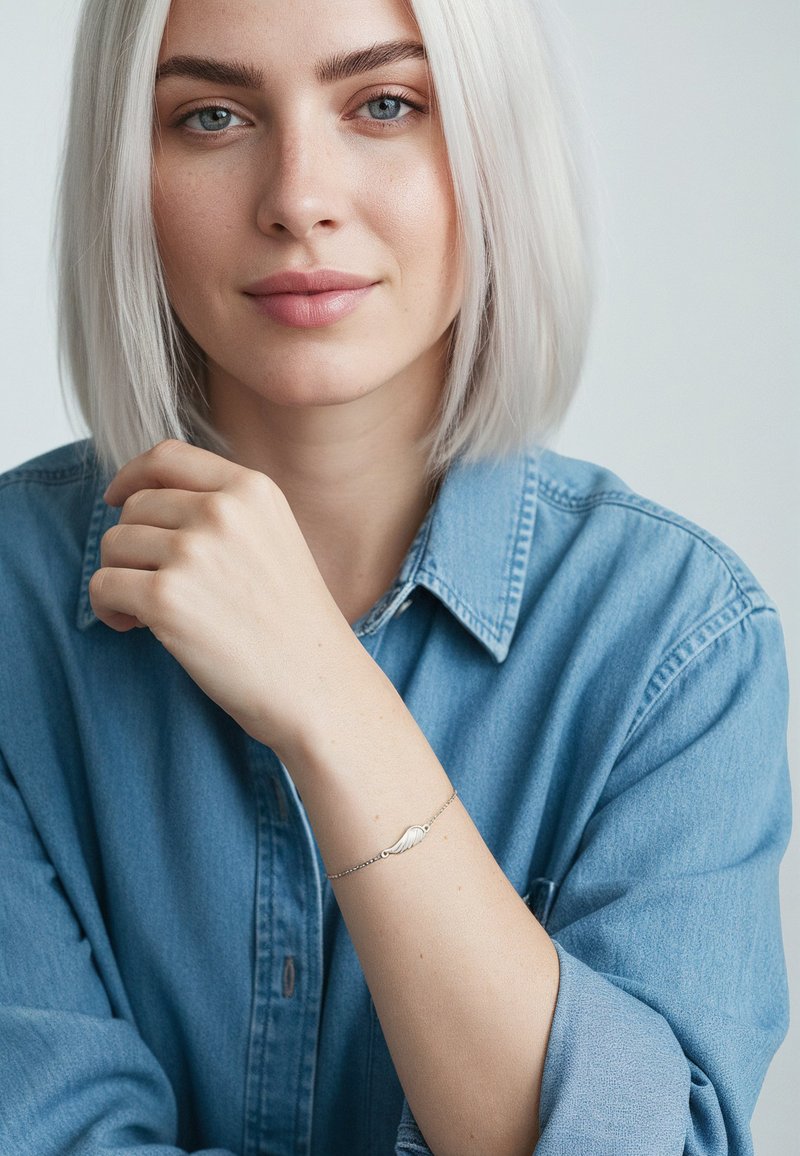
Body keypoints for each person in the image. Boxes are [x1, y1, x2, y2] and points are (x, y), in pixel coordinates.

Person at [0, 0, 790, 1152]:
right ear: (129, 169)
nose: (298, 197)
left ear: (488, 144)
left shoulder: (679, 643)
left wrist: (333, 703)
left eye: (384, 104)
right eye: (211, 115)